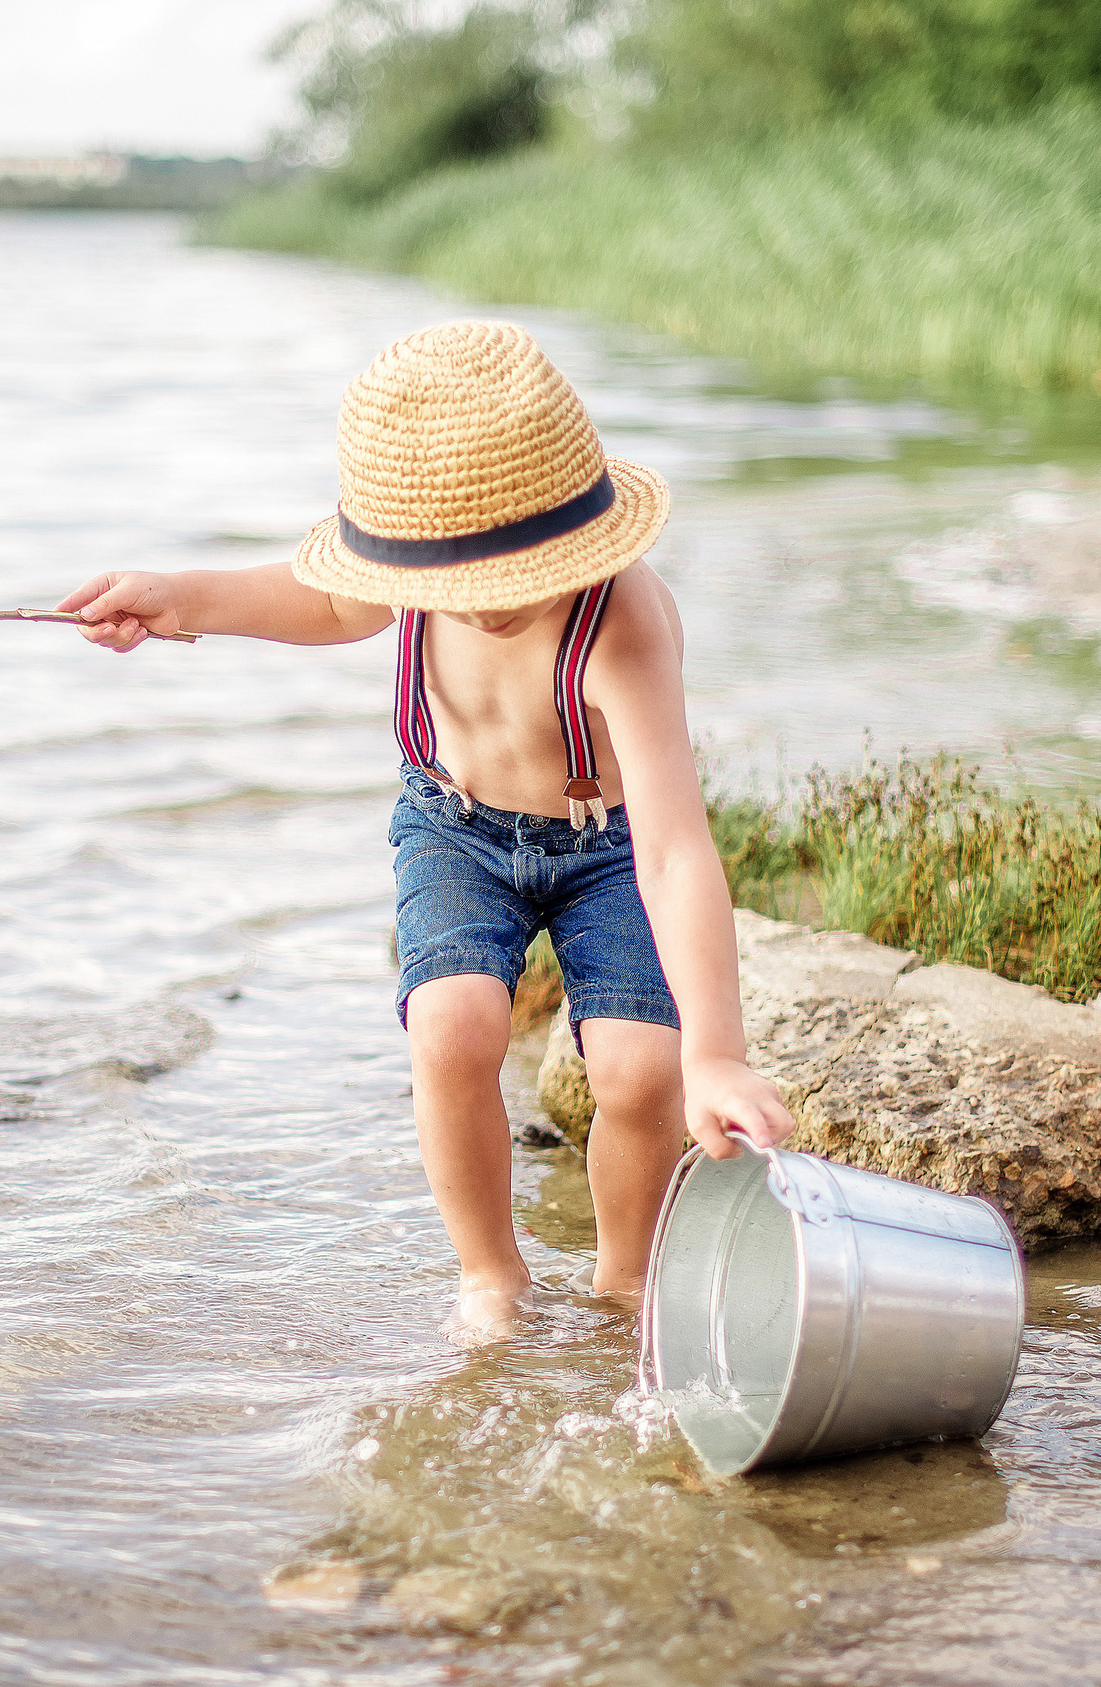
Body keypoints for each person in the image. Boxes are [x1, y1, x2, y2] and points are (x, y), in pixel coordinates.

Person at [60, 321, 794, 1341]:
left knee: (637, 1068)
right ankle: (492, 1273)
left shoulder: (621, 623)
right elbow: (313, 599)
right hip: (453, 826)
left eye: (508, 580)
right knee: (450, 1028)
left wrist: (716, 1052)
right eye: (459, 587)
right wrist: (179, 597)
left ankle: (626, 1281)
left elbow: (673, 850)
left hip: (607, 843)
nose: (481, 607)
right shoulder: (415, 558)